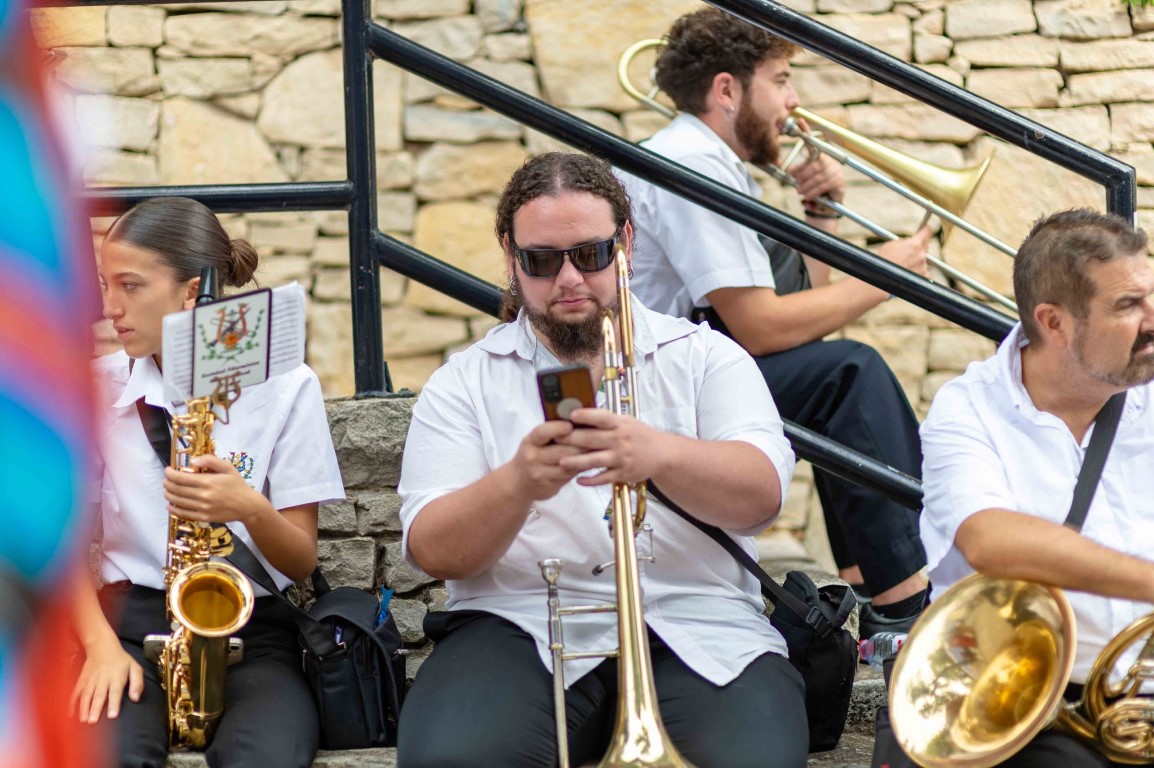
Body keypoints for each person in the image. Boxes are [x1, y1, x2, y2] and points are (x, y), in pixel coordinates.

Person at [397, 152, 810, 768]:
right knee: (448, 761)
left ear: (627, 244)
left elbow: (761, 497)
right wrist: (517, 484)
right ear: (511, 258)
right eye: (541, 261)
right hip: (520, 623)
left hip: (698, 619)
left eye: (591, 255)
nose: (569, 279)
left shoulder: (706, 358)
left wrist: (659, 453)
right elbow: (433, 550)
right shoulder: (463, 383)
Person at [619, 7, 931, 636]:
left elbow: (795, 314)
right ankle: (905, 603)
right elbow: (762, 328)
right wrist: (884, 277)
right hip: (661, 391)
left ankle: (873, 588)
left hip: (685, 369)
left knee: (832, 376)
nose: (794, 101)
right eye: (782, 80)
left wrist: (822, 216)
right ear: (727, 90)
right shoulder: (693, 164)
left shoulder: (710, 161)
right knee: (850, 374)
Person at [73, 197, 345, 768]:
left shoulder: (286, 385)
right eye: (104, 285)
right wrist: (99, 648)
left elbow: (299, 560)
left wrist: (247, 506)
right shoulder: (94, 389)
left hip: (251, 634)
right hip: (128, 630)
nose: (110, 308)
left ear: (192, 292)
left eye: (130, 286)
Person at [920, 208, 1154, 767]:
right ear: (1054, 323)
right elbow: (990, 540)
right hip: (1022, 703)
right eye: (1128, 305)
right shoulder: (968, 408)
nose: (1152, 318)